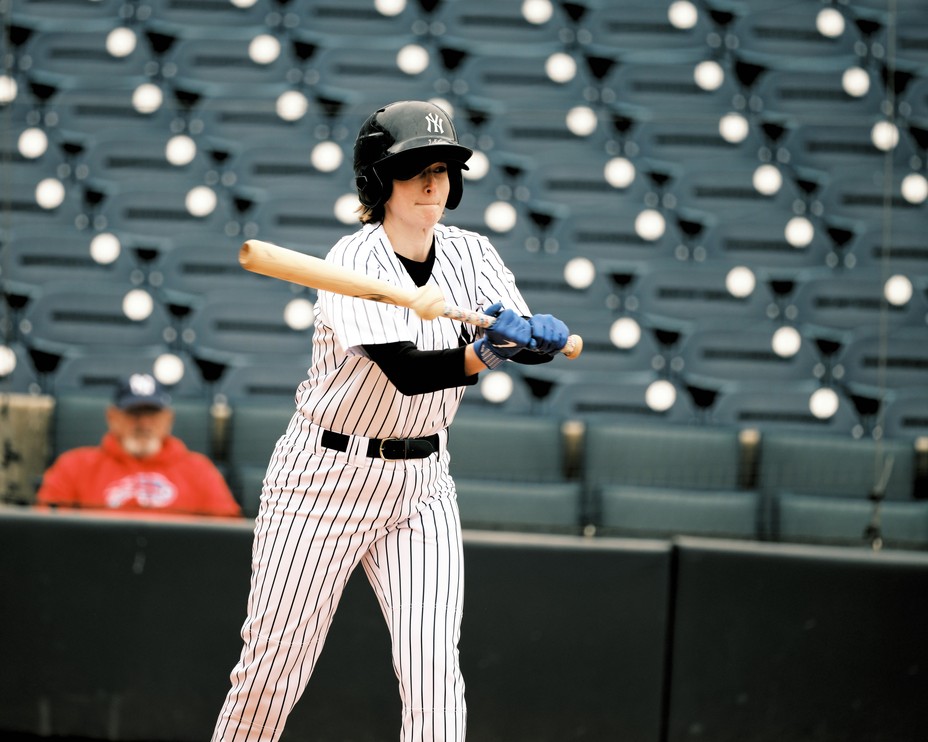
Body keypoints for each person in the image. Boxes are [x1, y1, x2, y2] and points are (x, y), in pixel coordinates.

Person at [211, 100, 569, 742]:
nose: (434, 183)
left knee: (434, 673)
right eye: (415, 170)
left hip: (421, 485)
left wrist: (535, 334)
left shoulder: (473, 253)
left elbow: (519, 336)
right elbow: (407, 370)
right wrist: (487, 352)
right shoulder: (353, 262)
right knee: (272, 675)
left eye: (444, 169)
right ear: (380, 180)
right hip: (321, 482)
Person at [36, 372, 241, 518]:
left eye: (151, 414)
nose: (144, 423)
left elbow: (227, 533)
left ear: (168, 419)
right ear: (112, 417)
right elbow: (47, 530)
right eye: (134, 413)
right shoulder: (74, 466)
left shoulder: (199, 470)